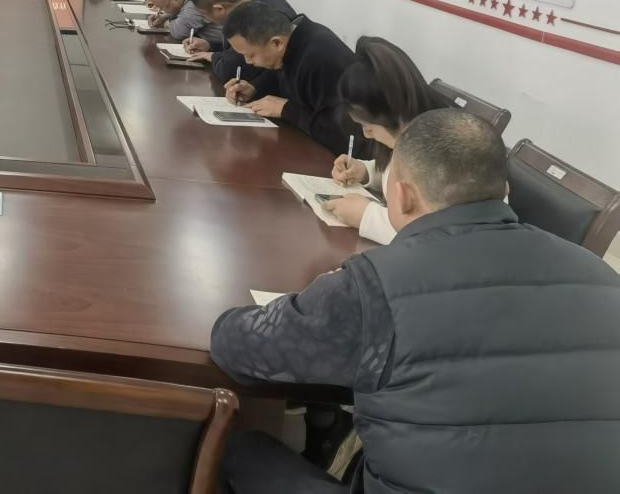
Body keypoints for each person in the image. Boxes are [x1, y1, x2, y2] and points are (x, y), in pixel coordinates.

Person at [212, 109, 620, 494]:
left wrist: (317, 300)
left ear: (402, 196)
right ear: (506, 191)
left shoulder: (372, 286)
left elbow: (235, 347)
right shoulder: (603, 277)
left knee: (239, 448)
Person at [323, 37, 449, 244]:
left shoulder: (448, 150)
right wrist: (366, 172)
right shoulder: (413, 132)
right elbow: (399, 174)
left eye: (369, 127)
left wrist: (366, 217)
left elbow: (435, 238)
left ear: (393, 113)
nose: (366, 135)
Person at [221, 1, 355, 154]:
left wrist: (286, 109)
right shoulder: (292, 40)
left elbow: (343, 135)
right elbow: (282, 76)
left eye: (250, 55)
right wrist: (255, 89)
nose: (248, 62)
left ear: (277, 43)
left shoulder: (319, 58)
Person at [185, 0, 298, 85]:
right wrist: (209, 45)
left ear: (219, 9)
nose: (206, 18)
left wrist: (212, 56)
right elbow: (239, 51)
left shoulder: (257, 19)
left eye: (204, 14)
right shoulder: (267, 1)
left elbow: (230, 69)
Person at [145, 0, 223, 46]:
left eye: (163, 7)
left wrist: (165, 23)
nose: (162, 11)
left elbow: (179, 32)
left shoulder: (194, 3)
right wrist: (165, 16)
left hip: (221, 49)